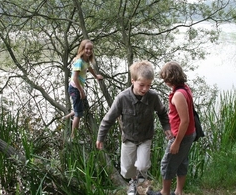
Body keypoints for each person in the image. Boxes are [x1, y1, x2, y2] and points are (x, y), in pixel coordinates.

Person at [96, 60, 172, 195]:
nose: (145, 89)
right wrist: (100, 137)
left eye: (149, 85)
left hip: (145, 138)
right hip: (128, 138)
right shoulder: (122, 98)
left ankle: (139, 179)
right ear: (133, 80)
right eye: (142, 85)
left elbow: (162, 112)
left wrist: (166, 126)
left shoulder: (153, 97)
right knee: (126, 169)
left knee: (143, 165)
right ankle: (133, 181)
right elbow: (108, 119)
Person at [147, 62, 196, 195]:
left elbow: (184, 121)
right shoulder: (184, 88)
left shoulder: (178, 95)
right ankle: (178, 192)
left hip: (183, 135)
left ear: (171, 78)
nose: (164, 81)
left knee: (167, 163)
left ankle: (165, 192)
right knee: (181, 162)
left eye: (165, 79)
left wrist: (176, 142)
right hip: (188, 133)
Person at [63, 39, 103, 142]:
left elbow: (89, 68)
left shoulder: (86, 60)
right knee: (78, 114)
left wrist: (96, 76)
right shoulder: (79, 62)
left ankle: (70, 114)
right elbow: (75, 78)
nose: (89, 51)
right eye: (86, 49)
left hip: (77, 88)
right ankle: (73, 138)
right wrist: (81, 91)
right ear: (82, 49)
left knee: (80, 108)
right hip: (75, 88)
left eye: (90, 49)